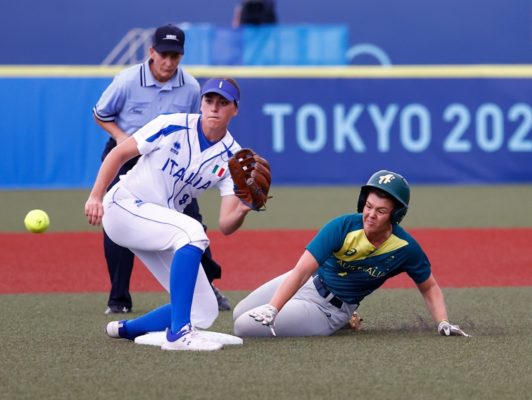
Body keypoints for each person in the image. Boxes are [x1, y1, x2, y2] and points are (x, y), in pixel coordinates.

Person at [85, 77, 254, 351]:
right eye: (209, 100)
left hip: (157, 223)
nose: (214, 107)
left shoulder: (233, 157)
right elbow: (118, 154)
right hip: (124, 206)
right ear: (201, 103)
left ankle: (125, 329)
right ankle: (179, 334)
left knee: (204, 310)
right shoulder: (171, 124)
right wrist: (95, 196)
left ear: (235, 109)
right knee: (192, 232)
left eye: (223, 103)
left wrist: (244, 208)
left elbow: (226, 224)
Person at [92, 23, 231, 315]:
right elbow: (101, 114)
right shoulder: (127, 80)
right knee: (115, 221)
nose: (169, 62)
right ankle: (118, 298)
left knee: (193, 221)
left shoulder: (192, 87)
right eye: (164, 54)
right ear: (151, 52)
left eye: (175, 56)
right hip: (127, 153)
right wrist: (121, 138)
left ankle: (208, 285)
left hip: (169, 161)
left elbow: (197, 126)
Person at [233, 170, 470, 338]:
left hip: (327, 312)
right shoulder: (343, 226)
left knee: (243, 327)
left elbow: (429, 286)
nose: (371, 214)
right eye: (368, 206)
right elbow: (302, 271)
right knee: (238, 312)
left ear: (395, 216)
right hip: (308, 283)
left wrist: (443, 322)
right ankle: (286, 309)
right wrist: (274, 307)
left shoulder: (404, 247)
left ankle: (343, 321)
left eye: (381, 210)